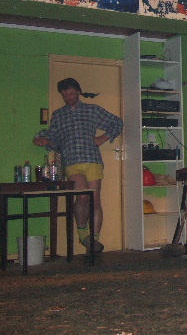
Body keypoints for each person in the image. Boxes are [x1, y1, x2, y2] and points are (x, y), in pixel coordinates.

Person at [33, 78, 123, 254]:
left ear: (79, 92)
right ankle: (84, 236)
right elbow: (56, 142)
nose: (68, 97)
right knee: (82, 197)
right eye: (65, 95)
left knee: (95, 199)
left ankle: (94, 240)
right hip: (72, 161)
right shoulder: (58, 115)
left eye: (71, 93)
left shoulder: (92, 110)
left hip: (92, 159)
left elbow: (117, 123)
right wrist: (46, 141)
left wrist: (101, 139)